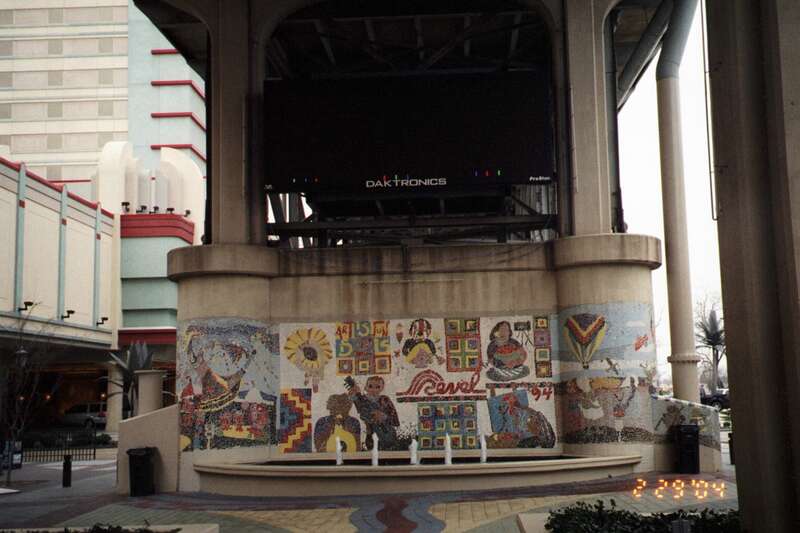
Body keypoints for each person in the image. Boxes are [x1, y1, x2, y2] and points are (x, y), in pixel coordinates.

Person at [347, 375, 399, 449]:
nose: (373, 390)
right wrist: (353, 396)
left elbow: (393, 415)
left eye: (377, 387)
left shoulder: (385, 399)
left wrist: (383, 416)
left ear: (382, 388)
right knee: (372, 448)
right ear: (365, 387)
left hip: (388, 431)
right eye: (370, 386)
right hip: (371, 431)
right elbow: (360, 409)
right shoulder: (363, 399)